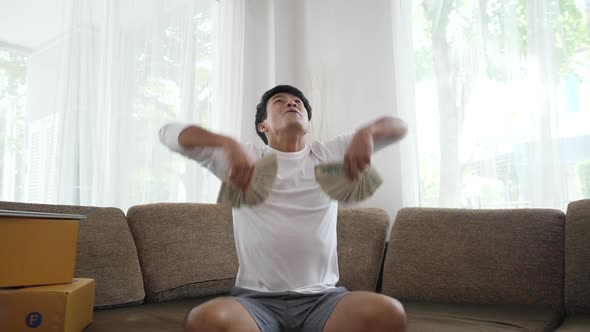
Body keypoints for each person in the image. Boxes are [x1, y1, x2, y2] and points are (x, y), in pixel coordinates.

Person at [159, 85, 408, 332]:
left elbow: (399, 127)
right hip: (255, 302)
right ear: (262, 126)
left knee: (389, 313)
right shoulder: (243, 157)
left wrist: (367, 132)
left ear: (308, 125)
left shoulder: (331, 154)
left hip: (323, 300)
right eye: (280, 101)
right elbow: (168, 133)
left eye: (298, 102)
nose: (292, 103)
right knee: (203, 319)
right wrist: (225, 143)